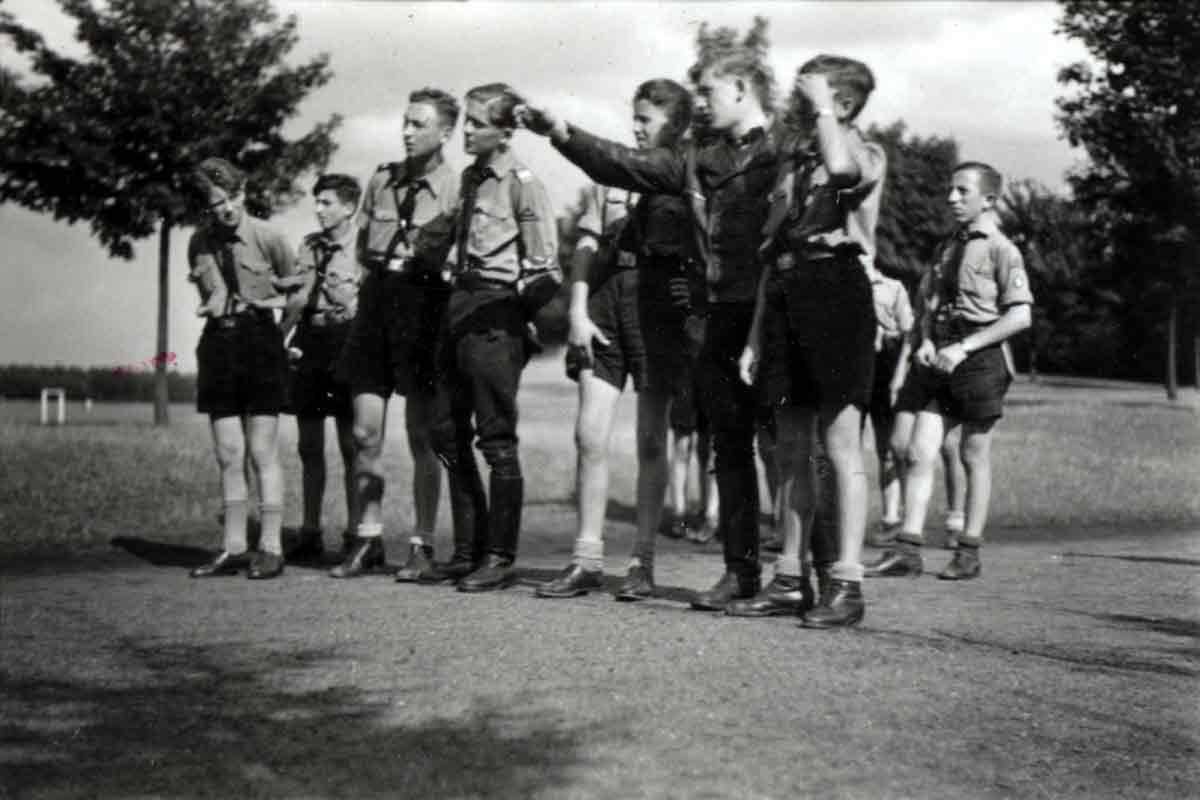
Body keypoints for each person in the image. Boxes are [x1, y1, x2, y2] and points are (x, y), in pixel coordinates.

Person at [519, 38, 787, 612]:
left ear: (742, 89)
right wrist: (558, 130)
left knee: (785, 442)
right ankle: (741, 574)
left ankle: (802, 575)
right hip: (709, 313)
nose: (702, 101)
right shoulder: (694, 159)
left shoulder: (786, 149)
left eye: (709, 91)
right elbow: (618, 164)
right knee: (729, 447)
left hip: (763, 308)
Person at [533, 79, 701, 601]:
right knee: (589, 435)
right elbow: (588, 242)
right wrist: (578, 310)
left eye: (646, 119)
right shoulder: (612, 171)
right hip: (605, 299)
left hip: (658, 302)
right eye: (635, 117)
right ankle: (585, 558)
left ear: (674, 124)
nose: (636, 127)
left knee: (652, 440)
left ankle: (642, 562)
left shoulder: (686, 170)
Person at [735, 55, 886, 628]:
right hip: (786, 293)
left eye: (809, 96)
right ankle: (790, 577)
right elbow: (774, 250)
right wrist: (755, 336)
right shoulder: (794, 162)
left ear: (840, 104)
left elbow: (843, 171)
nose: (797, 105)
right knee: (790, 447)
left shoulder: (863, 151)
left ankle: (846, 583)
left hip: (837, 292)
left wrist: (823, 110)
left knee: (841, 445)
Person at [425, 83, 561, 592]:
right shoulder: (470, 179)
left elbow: (546, 269)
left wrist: (512, 317)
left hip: (496, 316)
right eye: (467, 122)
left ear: (505, 132)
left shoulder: (523, 185)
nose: (467, 131)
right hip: (458, 309)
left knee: (496, 439)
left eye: (478, 123)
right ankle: (468, 550)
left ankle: (499, 557)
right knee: (445, 432)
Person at [867, 162, 1033, 580]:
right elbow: (930, 303)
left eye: (962, 191)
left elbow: (1020, 316)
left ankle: (968, 550)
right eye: (951, 190)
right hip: (940, 354)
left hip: (980, 357)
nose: (951, 198)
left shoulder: (1002, 249)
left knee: (973, 454)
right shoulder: (947, 246)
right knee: (918, 452)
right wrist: (925, 340)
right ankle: (908, 550)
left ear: (989, 200)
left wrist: (964, 347)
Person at [333, 88, 462, 579]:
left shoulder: (455, 187)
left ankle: (422, 544)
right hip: (377, 304)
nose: (406, 132)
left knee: (421, 436)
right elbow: (362, 247)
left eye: (418, 124)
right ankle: (367, 538)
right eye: (405, 122)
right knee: (364, 432)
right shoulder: (382, 180)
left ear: (445, 132)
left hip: (425, 306)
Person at [186, 157, 298, 580]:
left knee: (261, 450)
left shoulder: (269, 237)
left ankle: (270, 547)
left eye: (232, 197)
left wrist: (277, 337)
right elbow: (208, 292)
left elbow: (297, 294)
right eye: (217, 203)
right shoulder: (199, 243)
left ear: (243, 192)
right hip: (219, 343)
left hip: (261, 341)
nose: (228, 208)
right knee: (228, 453)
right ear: (205, 207)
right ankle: (233, 548)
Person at [270, 174, 363, 563]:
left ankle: (358, 535)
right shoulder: (308, 246)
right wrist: (277, 339)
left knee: (351, 445)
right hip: (310, 342)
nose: (318, 209)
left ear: (349, 207)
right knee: (309, 445)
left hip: (348, 343)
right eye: (317, 202)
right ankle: (310, 532)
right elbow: (296, 299)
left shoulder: (364, 245)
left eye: (327, 202)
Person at [865, 262, 914, 542]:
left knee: (895, 447)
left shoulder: (892, 288)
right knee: (880, 448)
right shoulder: (842, 284)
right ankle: (890, 517)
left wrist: (898, 376)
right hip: (858, 371)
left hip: (886, 368)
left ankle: (902, 518)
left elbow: (909, 332)